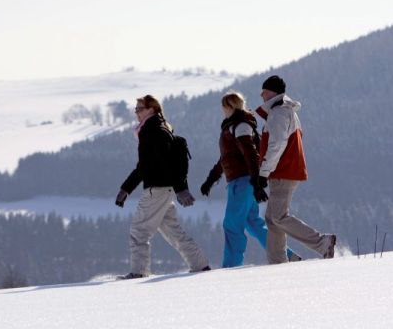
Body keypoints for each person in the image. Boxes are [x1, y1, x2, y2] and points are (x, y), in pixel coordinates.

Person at [200, 91, 301, 267]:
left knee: (232, 225)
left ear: (230, 107)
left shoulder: (240, 126)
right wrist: (211, 179)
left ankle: (231, 266)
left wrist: (256, 184)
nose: (222, 110)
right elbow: (226, 158)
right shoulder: (234, 125)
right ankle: (286, 254)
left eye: (224, 106)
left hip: (243, 182)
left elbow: (251, 156)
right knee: (252, 222)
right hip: (244, 182)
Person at [115, 95, 210, 279]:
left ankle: (139, 272)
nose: (136, 112)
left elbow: (164, 162)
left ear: (151, 109)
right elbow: (146, 165)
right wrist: (126, 188)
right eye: (136, 109)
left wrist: (180, 188)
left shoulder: (151, 131)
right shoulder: (160, 127)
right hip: (163, 190)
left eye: (140, 109)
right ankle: (200, 265)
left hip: (157, 189)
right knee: (173, 231)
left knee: (139, 231)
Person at [255, 75, 336, 264]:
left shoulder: (279, 113)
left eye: (264, 90)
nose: (261, 94)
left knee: (278, 216)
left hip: (284, 171)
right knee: (272, 218)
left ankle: (322, 243)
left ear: (273, 92)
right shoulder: (285, 111)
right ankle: (277, 261)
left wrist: (263, 173)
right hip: (286, 171)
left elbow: (276, 146)